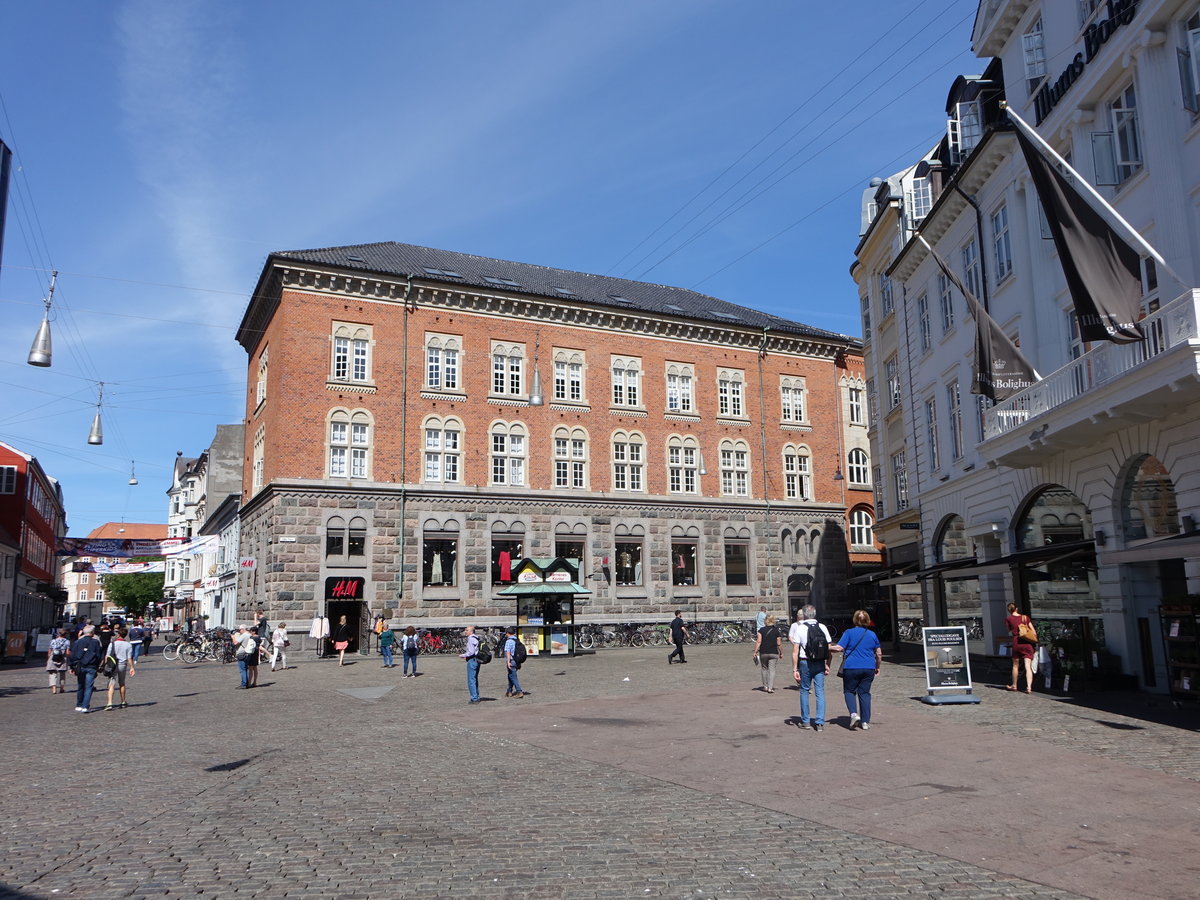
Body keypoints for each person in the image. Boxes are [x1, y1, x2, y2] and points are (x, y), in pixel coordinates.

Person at [831, 609, 883, 730]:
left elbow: (839, 648)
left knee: (849, 691)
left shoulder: (849, 633)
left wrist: (827, 648)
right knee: (864, 693)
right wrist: (877, 667)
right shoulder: (872, 634)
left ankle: (854, 714)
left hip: (851, 667)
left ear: (854, 620)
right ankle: (865, 722)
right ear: (867, 620)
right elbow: (879, 653)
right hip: (868, 667)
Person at [790, 605, 833, 731]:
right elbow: (829, 648)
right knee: (820, 692)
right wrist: (828, 664)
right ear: (815, 614)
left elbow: (795, 651)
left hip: (805, 662)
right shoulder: (823, 627)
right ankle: (819, 722)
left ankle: (806, 721)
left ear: (803, 615)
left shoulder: (800, 628)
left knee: (804, 690)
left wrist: (794, 669)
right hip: (819, 662)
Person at [1006, 602, 1037, 693]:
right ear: (1017, 609)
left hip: (1016, 643)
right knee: (1028, 666)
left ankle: (1014, 685)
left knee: (1015, 665)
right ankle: (1029, 687)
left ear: (1009, 610)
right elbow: (1034, 632)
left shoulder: (1008, 619)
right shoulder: (1025, 618)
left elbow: (1009, 630)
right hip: (1027, 644)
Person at [70, 624, 103, 713]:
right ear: (92, 632)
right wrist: (98, 665)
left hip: (80, 666)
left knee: (80, 686)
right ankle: (85, 706)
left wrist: (71, 666)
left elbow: (73, 655)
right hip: (91, 666)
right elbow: (99, 655)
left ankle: (79, 704)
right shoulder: (95, 642)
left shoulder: (78, 642)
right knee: (88, 687)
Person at [104, 625, 136, 710]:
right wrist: (132, 667)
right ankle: (123, 701)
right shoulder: (128, 645)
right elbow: (129, 658)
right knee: (122, 683)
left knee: (111, 683)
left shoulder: (112, 644)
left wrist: (106, 665)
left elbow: (107, 656)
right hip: (122, 665)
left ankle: (109, 703)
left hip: (113, 665)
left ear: (118, 635)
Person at [753, 614, 781, 693]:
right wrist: (781, 652)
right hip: (774, 653)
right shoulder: (776, 631)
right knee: (772, 670)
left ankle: (765, 686)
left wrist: (755, 651)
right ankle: (770, 687)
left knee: (764, 669)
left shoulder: (761, 630)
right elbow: (779, 643)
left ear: (765, 620)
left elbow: (759, 641)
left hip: (763, 652)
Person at [233, 624, 259, 689]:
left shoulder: (244, 635)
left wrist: (233, 637)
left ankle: (244, 684)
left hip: (242, 653)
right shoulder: (250, 635)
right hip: (248, 653)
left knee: (242, 669)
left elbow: (235, 643)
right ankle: (247, 683)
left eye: (240, 630)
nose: (239, 631)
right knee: (246, 669)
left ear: (243, 629)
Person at [460, 624, 481, 703]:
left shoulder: (471, 639)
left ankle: (474, 698)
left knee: (471, 680)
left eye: (467, 630)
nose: (465, 631)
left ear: (471, 631)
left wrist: (463, 655)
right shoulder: (476, 637)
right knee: (475, 679)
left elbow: (471, 652)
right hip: (478, 660)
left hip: (472, 660)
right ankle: (477, 695)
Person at [47, 628, 71, 695]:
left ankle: (54, 688)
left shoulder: (53, 641)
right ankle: (61, 688)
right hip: (62, 657)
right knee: (62, 673)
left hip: (53, 656)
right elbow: (67, 652)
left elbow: (49, 651)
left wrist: (49, 658)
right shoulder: (67, 641)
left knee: (52, 673)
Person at [504, 626, 525, 698]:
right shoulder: (517, 640)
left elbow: (508, 652)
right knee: (510, 675)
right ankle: (509, 691)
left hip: (512, 660)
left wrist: (508, 661)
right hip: (517, 661)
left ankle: (519, 691)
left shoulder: (509, 641)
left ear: (507, 633)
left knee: (513, 676)